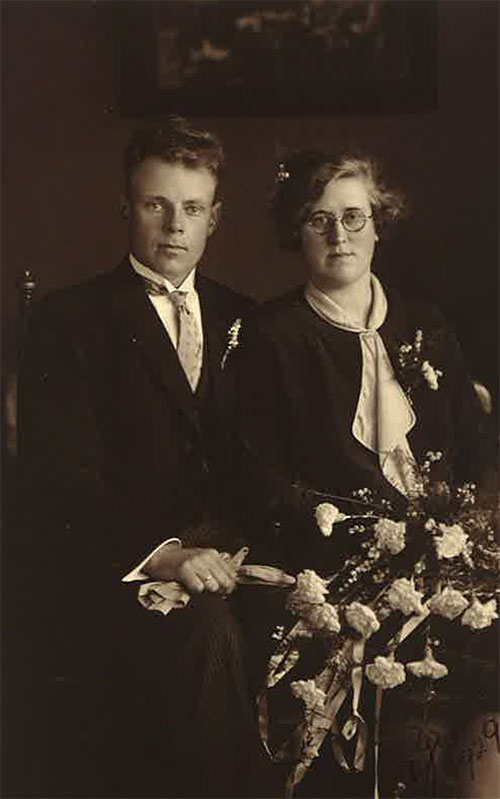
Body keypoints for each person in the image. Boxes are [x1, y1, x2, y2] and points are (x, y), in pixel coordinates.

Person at [10, 117, 269, 798]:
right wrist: (170, 555)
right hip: (120, 564)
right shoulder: (70, 321)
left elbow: (268, 461)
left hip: (236, 557)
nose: (174, 226)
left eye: (190, 209)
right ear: (127, 208)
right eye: (156, 204)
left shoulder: (246, 317)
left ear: (215, 218)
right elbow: (61, 482)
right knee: (205, 634)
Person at [230, 149, 498, 797]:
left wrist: (465, 536)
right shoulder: (272, 337)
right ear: (297, 232)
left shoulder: (427, 324)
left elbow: (474, 451)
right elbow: (259, 478)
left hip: (445, 564)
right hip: (333, 574)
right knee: (409, 710)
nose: (339, 235)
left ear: (380, 224)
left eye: (354, 217)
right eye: (320, 220)